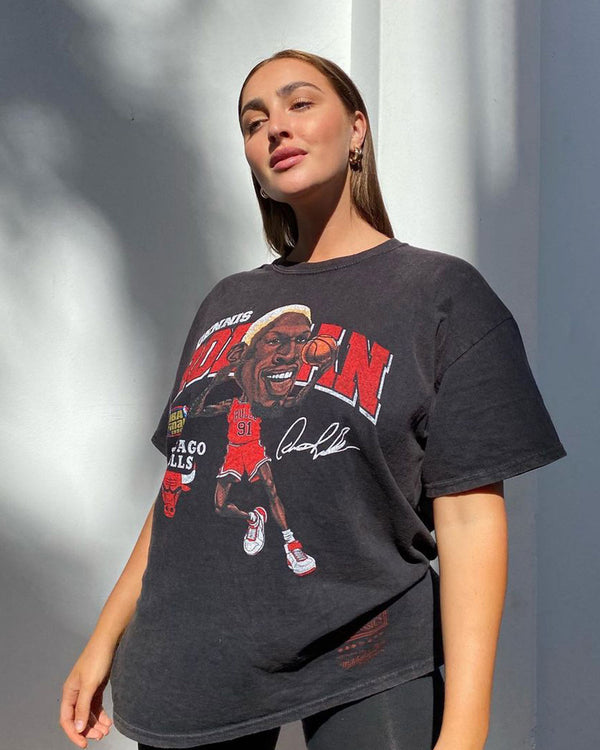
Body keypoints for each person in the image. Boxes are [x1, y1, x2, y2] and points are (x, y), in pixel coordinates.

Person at [59, 49, 567, 750]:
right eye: (253, 121)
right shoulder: (228, 304)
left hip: (369, 650)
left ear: (357, 128)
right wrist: (103, 638)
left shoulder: (440, 297)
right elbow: (182, 488)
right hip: (191, 657)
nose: (275, 127)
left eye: (299, 104)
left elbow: (471, 518)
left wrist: (466, 725)